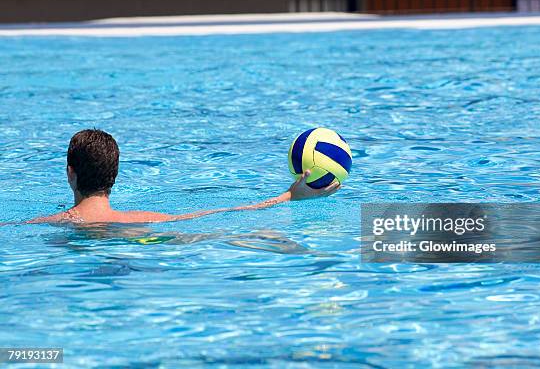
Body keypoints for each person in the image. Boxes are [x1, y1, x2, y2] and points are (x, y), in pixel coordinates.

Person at [27, 129, 340, 224]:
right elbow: (223, 213)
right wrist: (288, 196)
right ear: (115, 175)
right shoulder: (143, 220)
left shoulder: (44, 223)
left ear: (71, 173)